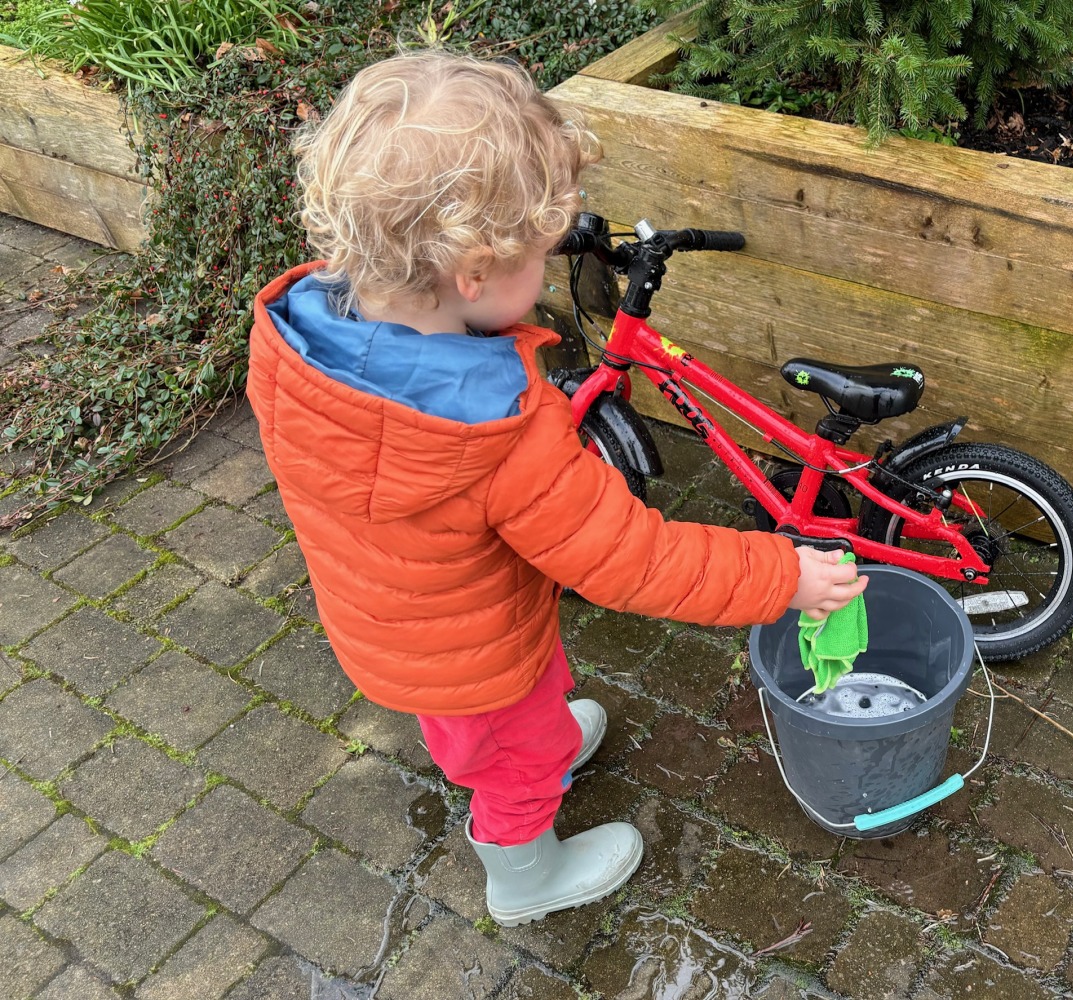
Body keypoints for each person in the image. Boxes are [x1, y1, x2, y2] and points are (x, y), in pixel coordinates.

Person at [246, 50, 866, 927]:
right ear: (472, 275)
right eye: (539, 259)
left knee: (490, 726)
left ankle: (515, 749)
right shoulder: (497, 435)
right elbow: (634, 560)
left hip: (397, 624)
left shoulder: (298, 346)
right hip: (476, 656)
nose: (546, 280)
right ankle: (523, 874)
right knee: (514, 759)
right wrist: (783, 577)